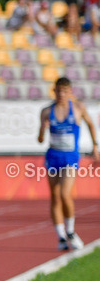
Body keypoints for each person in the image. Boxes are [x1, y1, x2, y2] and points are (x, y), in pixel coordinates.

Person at [38, 78, 98, 251]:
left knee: (65, 193)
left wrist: (95, 146)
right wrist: (43, 128)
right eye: (58, 91)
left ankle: (71, 231)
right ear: (54, 91)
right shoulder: (46, 111)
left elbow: (91, 124)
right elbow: (40, 138)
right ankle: (61, 237)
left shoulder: (78, 108)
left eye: (65, 91)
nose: (61, 94)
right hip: (53, 156)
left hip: (70, 157)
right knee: (55, 197)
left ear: (70, 91)